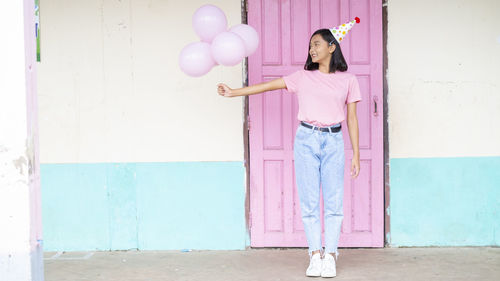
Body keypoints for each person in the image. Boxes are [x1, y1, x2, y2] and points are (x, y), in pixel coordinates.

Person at [217, 19, 361, 278]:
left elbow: (352, 118)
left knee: (333, 203)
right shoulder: (301, 77)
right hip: (306, 139)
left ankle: (330, 256)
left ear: (332, 46)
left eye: (316, 44)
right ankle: (314, 255)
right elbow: (267, 86)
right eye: (309, 46)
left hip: (334, 142)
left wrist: (357, 155)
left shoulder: (348, 80)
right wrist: (234, 92)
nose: (311, 50)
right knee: (308, 203)